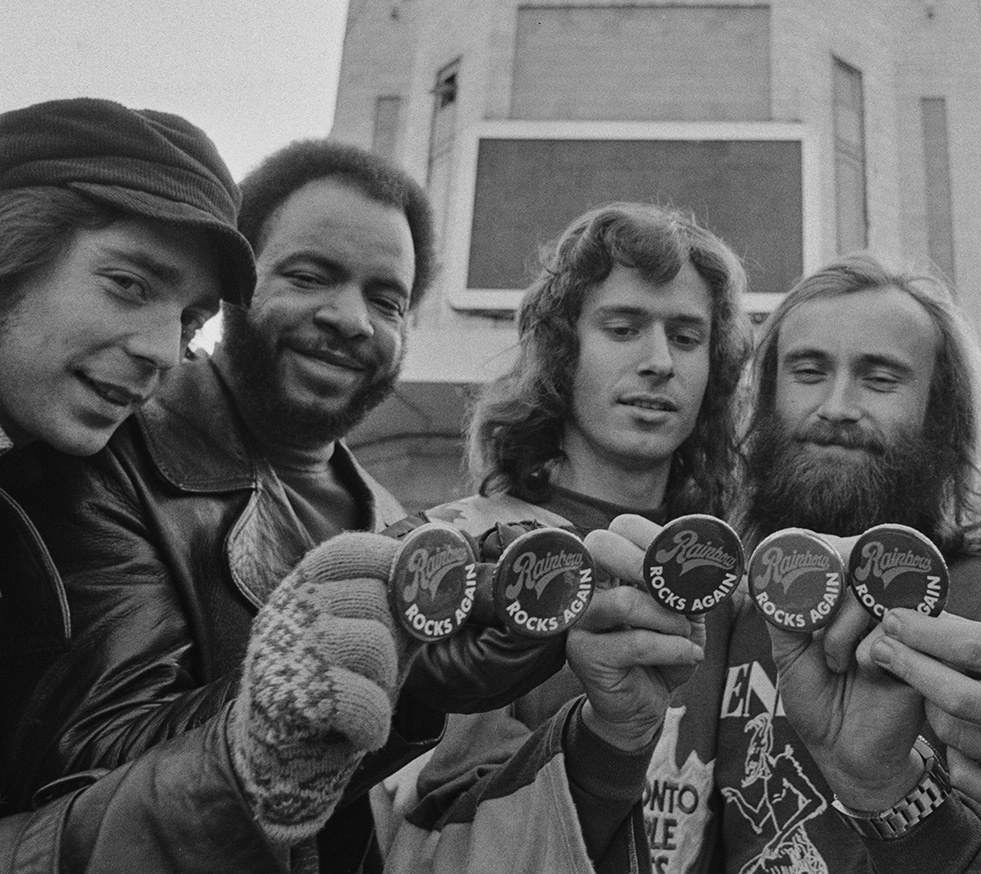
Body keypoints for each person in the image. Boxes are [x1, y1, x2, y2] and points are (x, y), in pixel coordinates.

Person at [1, 139, 566, 872]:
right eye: (309, 276)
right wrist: (315, 688)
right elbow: (83, 775)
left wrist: (413, 680)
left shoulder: (387, 516)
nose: (352, 319)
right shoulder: (103, 437)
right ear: (240, 290)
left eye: (386, 300)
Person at [0, 97, 408, 873]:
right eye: (128, 283)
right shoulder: (89, 465)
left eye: (190, 320)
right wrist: (248, 747)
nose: (163, 350)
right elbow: (79, 772)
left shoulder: (391, 516)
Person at [670, 253, 981, 873]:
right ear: (764, 399)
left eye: (880, 379)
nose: (837, 406)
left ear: (941, 416)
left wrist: (891, 794)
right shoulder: (731, 610)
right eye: (808, 372)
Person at [380, 202, 753, 873]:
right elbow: (445, 839)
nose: (659, 362)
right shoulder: (452, 548)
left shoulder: (733, 573)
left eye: (687, 336)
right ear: (562, 349)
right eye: (623, 328)